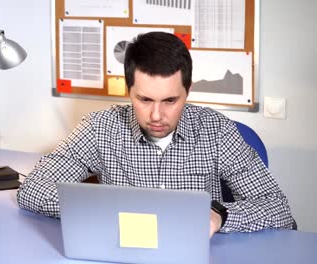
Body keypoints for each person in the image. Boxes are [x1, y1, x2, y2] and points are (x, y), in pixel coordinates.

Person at [17, 32, 294, 237]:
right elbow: (32, 190)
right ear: (129, 91)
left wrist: (219, 216)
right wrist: (105, 211)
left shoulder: (217, 130)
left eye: (170, 101)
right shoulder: (99, 127)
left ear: (188, 91)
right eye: (145, 100)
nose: (157, 115)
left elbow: (278, 208)